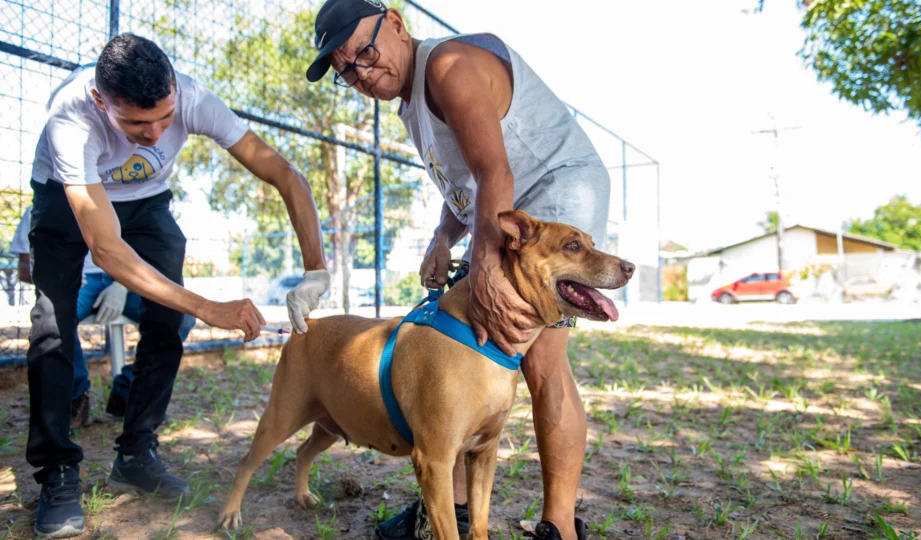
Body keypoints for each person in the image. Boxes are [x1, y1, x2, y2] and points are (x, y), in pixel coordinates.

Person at [307, 1, 610, 539]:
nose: (360, 73)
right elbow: (468, 184)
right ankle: (455, 513)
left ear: (395, 23)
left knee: (541, 357)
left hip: (553, 193)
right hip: (504, 208)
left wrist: (488, 270)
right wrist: (443, 239)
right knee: (459, 343)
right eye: (345, 71)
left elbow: (495, 170)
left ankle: (560, 527)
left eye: (364, 53)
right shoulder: (410, 103)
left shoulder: (447, 66)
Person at [27, 34, 330, 538]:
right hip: (67, 196)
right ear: (102, 101)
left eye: (165, 118)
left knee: (170, 318)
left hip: (146, 200)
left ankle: (136, 453)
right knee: (52, 327)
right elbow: (106, 249)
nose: (154, 134)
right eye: (136, 124)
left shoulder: (194, 98)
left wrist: (316, 269)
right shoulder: (71, 120)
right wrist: (209, 307)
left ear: (174, 91)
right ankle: (57, 470)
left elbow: (285, 174)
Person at [11, 207, 196, 428]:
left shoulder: (122, 201)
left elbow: (146, 253)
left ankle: (127, 392)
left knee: (181, 317)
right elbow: (24, 268)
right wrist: (61, 276)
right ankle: (76, 398)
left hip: (124, 277)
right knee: (53, 320)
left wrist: (122, 285)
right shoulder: (41, 207)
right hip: (76, 279)